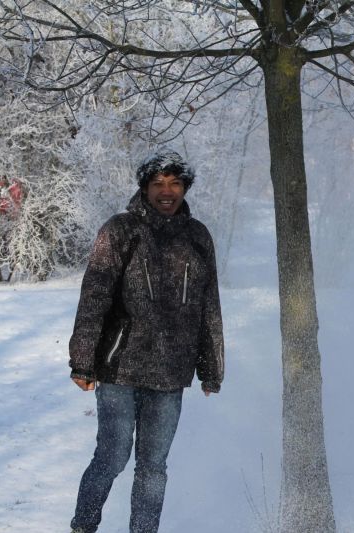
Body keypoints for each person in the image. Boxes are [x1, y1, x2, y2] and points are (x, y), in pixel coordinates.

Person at [68, 149, 224, 533]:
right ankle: (82, 527)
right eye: (158, 184)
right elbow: (95, 297)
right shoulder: (120, 230)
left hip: (172, 373)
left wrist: (212, 368)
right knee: (113, 455)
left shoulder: (198, 236)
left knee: (154, 465)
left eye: (174, 184)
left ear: (185, 188)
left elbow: (209, 305)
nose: (167, 191)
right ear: (145, 188)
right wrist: (83, 360)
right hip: (121, 366)